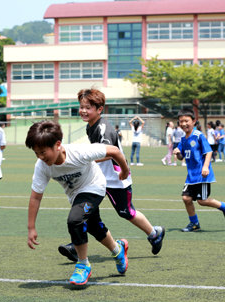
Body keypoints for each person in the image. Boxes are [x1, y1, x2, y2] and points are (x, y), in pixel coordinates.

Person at [58, 89, 165, 263]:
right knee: (86, 211)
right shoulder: (90, 126)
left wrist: (84, 160)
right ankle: (76, 247)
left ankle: (154, 233)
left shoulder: (103, 129)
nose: (83, 111)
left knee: (126, 212)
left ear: (100, 109)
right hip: (97, 179)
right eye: (81, 107)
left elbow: (109, 153)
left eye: (88, 107)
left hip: (117, 179)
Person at [25, 120, 130, 286]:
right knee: (95, 227)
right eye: (36, 153)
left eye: (43, 152)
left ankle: (82, 265)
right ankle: (118, 250)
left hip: (95, 186)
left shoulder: (79, 152)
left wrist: (124, 170)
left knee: (75, 220)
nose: (40, 157)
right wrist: (31, 227)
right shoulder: (42, 166)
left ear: (58, 144)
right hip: (76, 196)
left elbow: (115, 151)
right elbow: (35, 197)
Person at [173, 109, 225, 232]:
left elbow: (209, 152)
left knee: (202, 201)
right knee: (186, 198)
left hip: (202, 175)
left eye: (186, 121)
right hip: (191, 176)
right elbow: (181, 157)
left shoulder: (198, 135)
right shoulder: (183, 139)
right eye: (181, 121)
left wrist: (205, 166)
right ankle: (194, 223)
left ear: (194, 121)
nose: (184, 124)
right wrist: (178, 153)